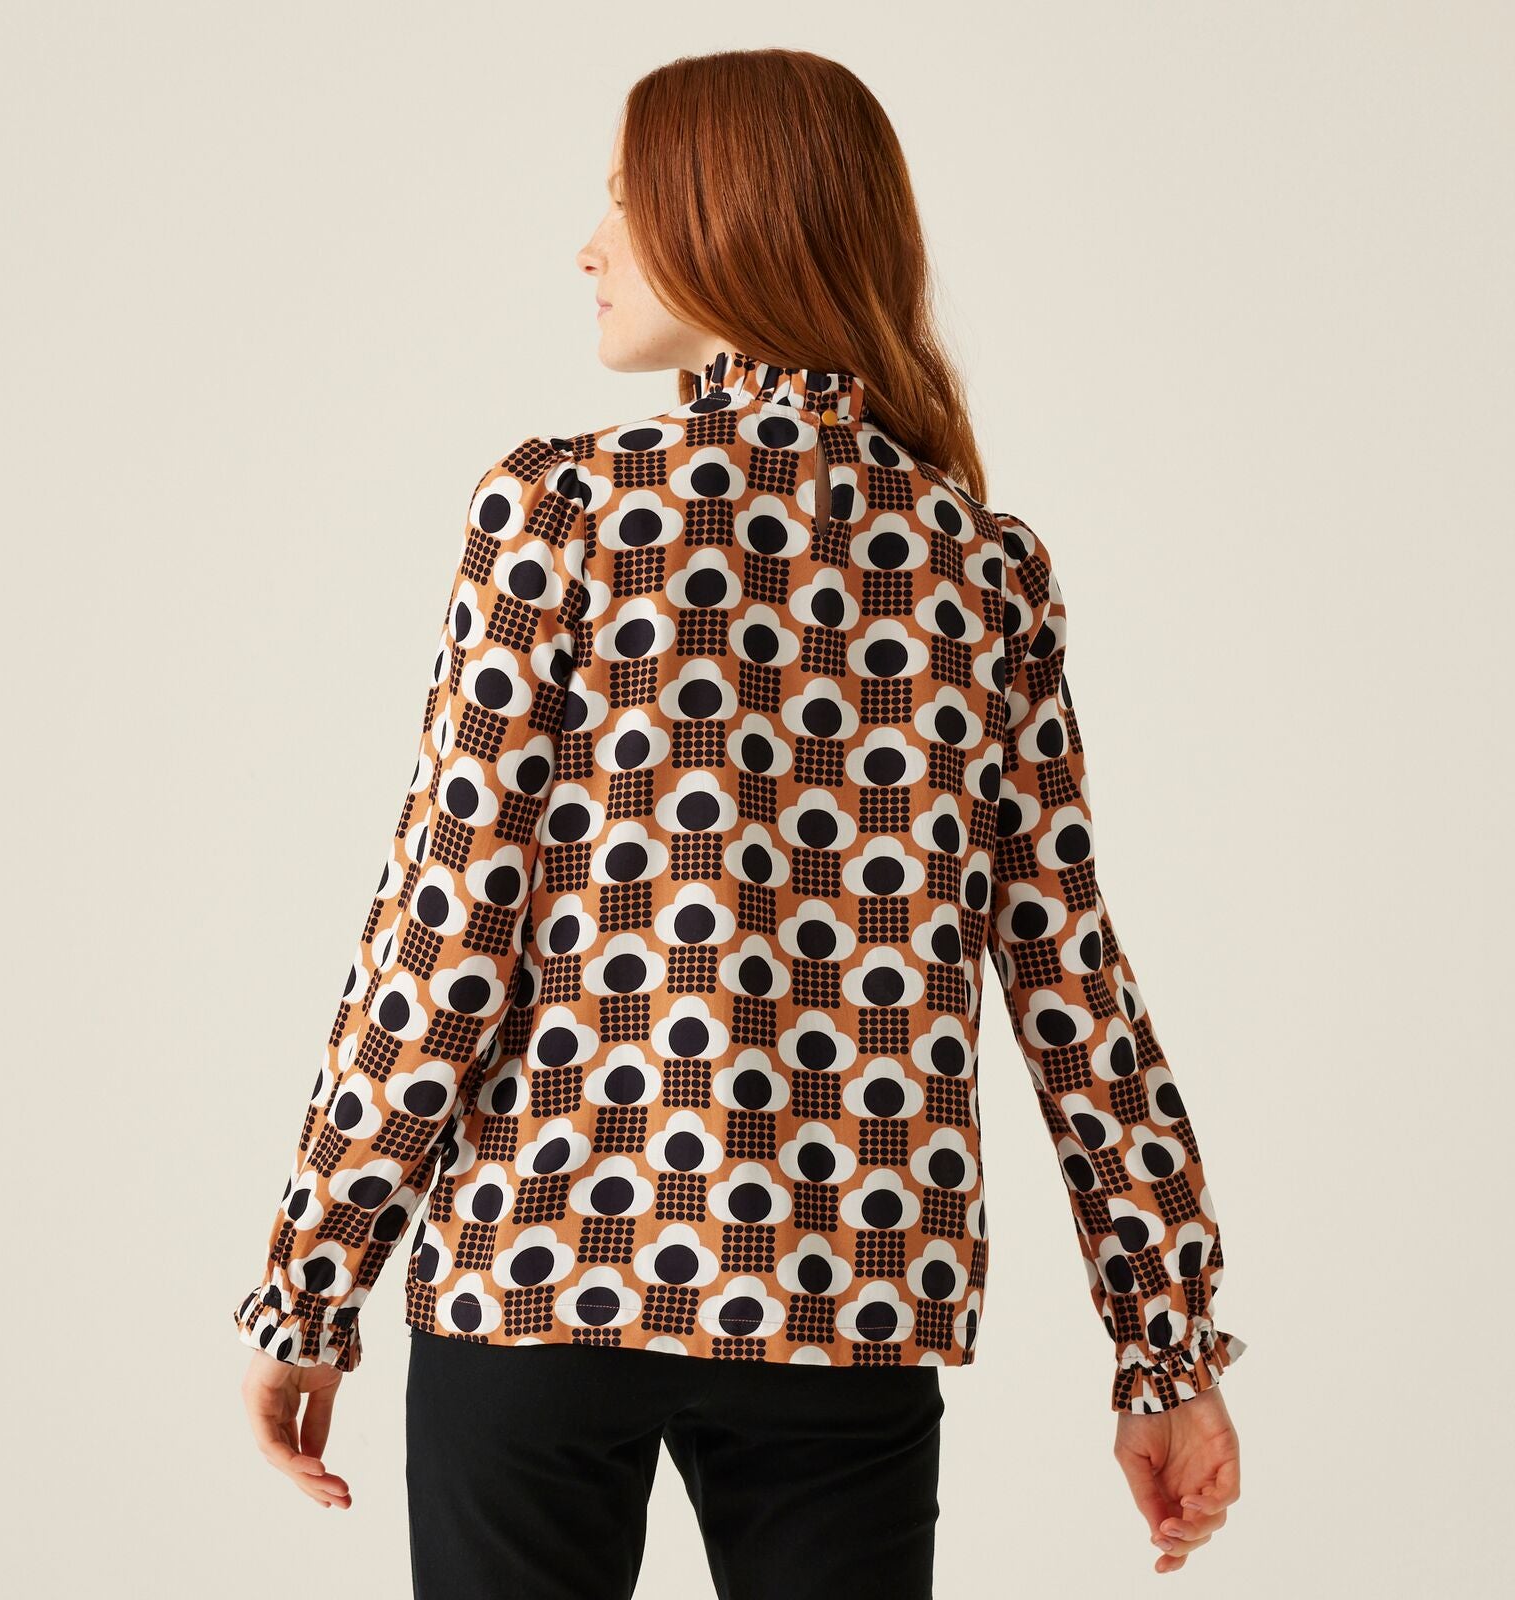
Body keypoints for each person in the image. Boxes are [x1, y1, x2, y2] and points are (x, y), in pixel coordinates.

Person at [232, 47, 1247, 1599]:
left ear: (732, 225)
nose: (588, 246)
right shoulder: (983, 567)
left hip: (539, 1266)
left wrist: (312, 1285)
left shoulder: (562, 512)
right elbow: (1069, 978)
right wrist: (1164, 1345)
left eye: (625, 203)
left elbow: (445, 930)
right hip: (849, 1295)